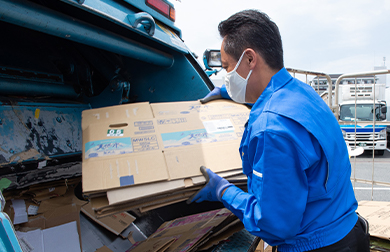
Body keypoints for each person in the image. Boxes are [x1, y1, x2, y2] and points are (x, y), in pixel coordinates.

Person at [188, 9, 370, 252]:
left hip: (316, 246)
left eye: (227, 68)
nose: (226, 76)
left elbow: (274, 225)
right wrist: (231, 94)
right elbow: (281, 108)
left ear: (250, 59)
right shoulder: (303, 93)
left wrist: (224, 192)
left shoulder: (271, 130)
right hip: (348, 233)